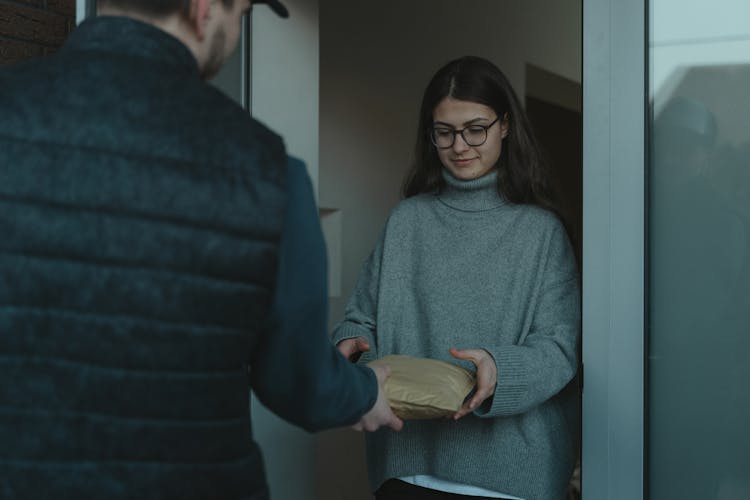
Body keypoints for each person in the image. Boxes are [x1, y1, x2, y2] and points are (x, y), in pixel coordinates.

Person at [0, 0, 402, 498]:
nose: (234, 36)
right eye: (241, 15)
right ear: (204, 9)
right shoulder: (268, 169)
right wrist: (366, 392)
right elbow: (300, 383)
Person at [332, 56, 580, 500]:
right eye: (443, 132)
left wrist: (499, 370)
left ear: (505, 125)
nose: (459, 145)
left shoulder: (541, 231)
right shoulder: (406, 221)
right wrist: (347, 342)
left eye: (475, 129)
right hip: (407, 469)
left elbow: (560, 349)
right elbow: (361, 317)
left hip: (511, 475)